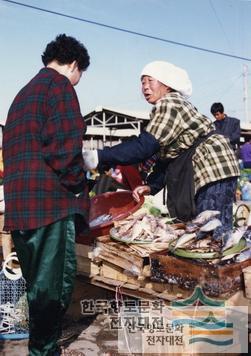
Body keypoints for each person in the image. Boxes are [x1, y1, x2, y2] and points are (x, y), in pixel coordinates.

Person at [3, 34, 90, 355]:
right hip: (49, 207)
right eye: (80, 75)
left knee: (38, 286)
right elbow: (66, 152)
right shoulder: (60, 87)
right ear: (74, 65)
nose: (78, 81)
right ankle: (43, 350)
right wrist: (81, 185)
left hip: (21, 209)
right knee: (53, 288)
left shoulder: (22, 95)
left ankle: (42, 347)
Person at [83, 61, 240, 235]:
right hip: (211, 167)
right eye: (142, 82)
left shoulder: (171, 103)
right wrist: (151, 186)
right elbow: (167, 156)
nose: (145, 87)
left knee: (211, 231)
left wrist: (99, 156)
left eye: (150, 81)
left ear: (167, 85)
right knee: (205, 231)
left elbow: (145, 146)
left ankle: (216, 258)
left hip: (212, 167)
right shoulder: (166, 107)